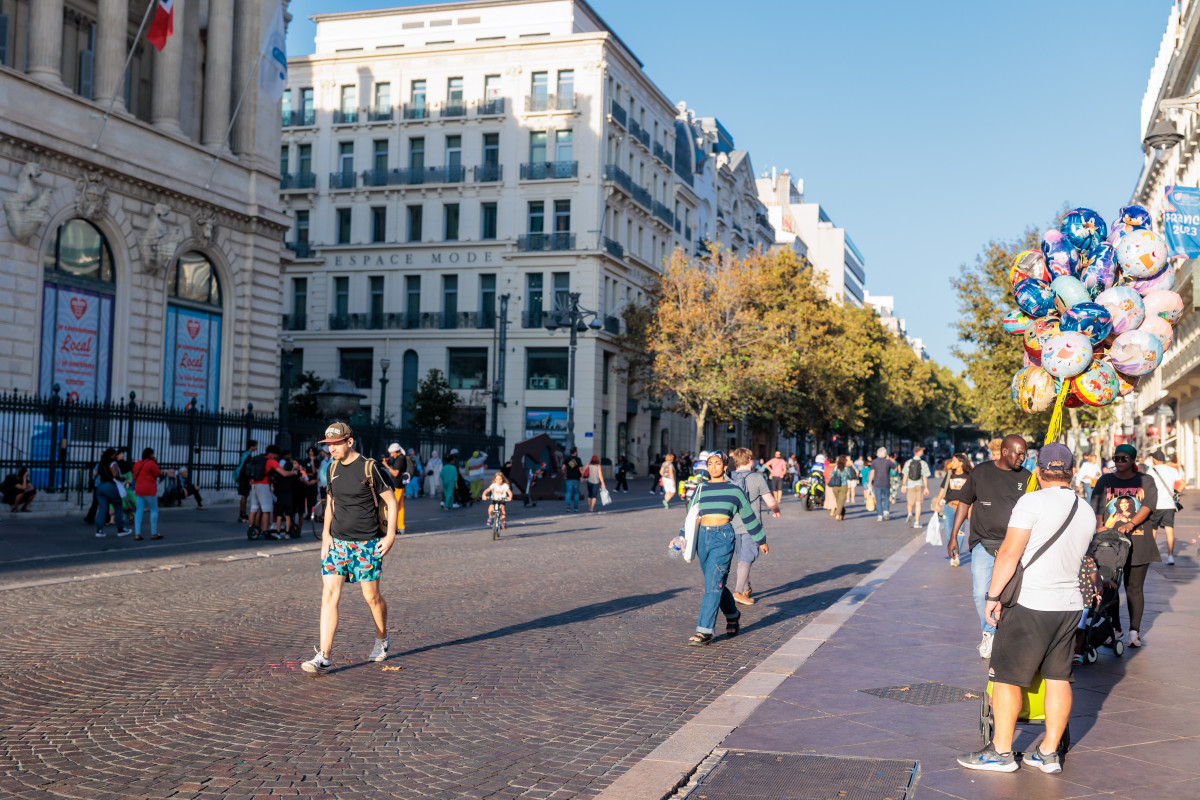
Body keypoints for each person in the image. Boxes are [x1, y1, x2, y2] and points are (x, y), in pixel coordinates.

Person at [957, 444, 1093, 775]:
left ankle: (1001, 752)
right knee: (1058, 678)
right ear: (1071, 471)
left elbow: (1008, 554)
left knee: (1005, 678)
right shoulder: (1085, 508)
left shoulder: (1031, 502)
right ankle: (1048, 753)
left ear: (1039, 470)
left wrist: (992, 596)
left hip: (1030, 603)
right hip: (1070, 605)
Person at [301, 422, 399, 674]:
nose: (331, 449)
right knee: (329, 596)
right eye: (328, 445)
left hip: (367, 544)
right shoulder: (331, 468)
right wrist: (325, 534)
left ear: (349, 442)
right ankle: (324, 656)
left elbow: (390, 498)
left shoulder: (370, 467)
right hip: (338, 542)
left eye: (335, 444)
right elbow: (331, 502)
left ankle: (382, 638)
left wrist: (390, 536)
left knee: (372, 598)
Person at [950, 435, 1030, 658]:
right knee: (980, 593)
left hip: (1014, 547)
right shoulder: (980, 472)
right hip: (983, 543)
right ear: (1005, 451)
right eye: (1019, 453)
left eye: (1025, 453)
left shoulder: (1027, 477)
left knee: (1011, 594)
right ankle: (990, 633)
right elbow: (964, 502)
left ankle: (1004, 634)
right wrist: (953, 535)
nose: (1023, 458)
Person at [682, 451, 766, 646]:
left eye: (717, 463)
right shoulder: (700, 489)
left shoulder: (734, 490)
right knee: (715, 581)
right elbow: (690, 517)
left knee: (713, 583)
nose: (713, 467)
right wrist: (680, 537)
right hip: (703, 537)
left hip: (723, 537)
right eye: (710, 463)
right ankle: (732, 614)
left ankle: (704, 631)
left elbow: (748, 516)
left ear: (725, 466)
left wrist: (761, 540)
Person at [1091, 443, 1157, 647]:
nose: (1118, 462)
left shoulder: (1145, 479)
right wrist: (1100, 526)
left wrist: (1131, 523)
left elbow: (1148, 505)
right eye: (1116, 458)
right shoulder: (1106, 480)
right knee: (1110, 586)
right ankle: (1115, 628)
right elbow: (1097, 505)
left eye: (1123, 458)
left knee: (1134, 588)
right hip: (1110, 544)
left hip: (1139, 541)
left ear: (1133, 460)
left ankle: (1134, 632)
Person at [728, 447, 780, 606]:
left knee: (742, 558)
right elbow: (770, 500)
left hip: (732, 525)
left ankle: (745, 587)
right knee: (747, 557)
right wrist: (776, 510)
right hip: (752, 525)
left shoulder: (729, 477)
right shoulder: (757, 478)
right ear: (750, 460)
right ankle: (738, 591)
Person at [1144, 449, 1181, 565]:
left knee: (1153, 530)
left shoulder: (1151, 471)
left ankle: (1150, 555)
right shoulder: (1171, 470)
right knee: (1169, 530)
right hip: (1169, 504)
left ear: (1154, 459)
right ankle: (1170, 556)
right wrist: (1176, 492)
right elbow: (1183, 483)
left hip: (1156, 504)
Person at [248, 444, 293, 538]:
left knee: (253, 509)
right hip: (264, 485)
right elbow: (283, 473)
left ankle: (251, 529)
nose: (277, 457)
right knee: (266, 509)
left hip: (254, 484)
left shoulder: (260, 459)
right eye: (276, 455)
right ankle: (265, 531)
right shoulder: (271, 461)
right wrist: (293, 472)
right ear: (273, 454)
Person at [938, 453, 972, 566]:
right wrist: (938, 503)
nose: (951, 463)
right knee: (949, 534)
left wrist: (971, 508)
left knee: (960, 532)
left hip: (962, 508)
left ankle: (956, 556)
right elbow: (943, 490)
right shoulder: (949, 474)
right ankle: (952, 552)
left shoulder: (968, 475)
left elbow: (972, 493)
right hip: (948, 507)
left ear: (961, 462)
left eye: (954, 461)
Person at [94, 448, 132, 538]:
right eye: (115, 454)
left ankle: (99, 530)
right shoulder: (113, 463)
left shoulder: (101, 464)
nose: (116, 456)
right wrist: (122, 479)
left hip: (100, 487)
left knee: (102, 508)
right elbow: (115, 475)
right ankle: (120, 529)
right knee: (118, 506)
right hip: (110, 486)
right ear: (111, 455)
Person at [129, 449, 162, 541]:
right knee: (154, 510)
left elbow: (134, 476)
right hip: (150, 490)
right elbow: (158, 474)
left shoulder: (137, 463)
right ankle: (153, 533)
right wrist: (155, 463)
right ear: (151, 455)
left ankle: (137, 534)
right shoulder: (151, 463)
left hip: (139, 490)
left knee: (139, 511)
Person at [902, 446, 932, 529]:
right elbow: (925, 477)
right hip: (920, 485)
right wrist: (926, 487)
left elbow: (905, 475)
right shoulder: (923, 463)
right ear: (918, 452)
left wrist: (903, 485)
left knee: (910, 502)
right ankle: (917, 522)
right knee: (918, 504)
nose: (922, 452)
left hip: (910, 485)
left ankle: (909, 513)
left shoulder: (908, 462)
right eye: (921, 451)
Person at [867, 447, 898, 522]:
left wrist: (870, 482)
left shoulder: (874, 462)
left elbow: (872, 472)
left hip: (877, 483)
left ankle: (880, 515)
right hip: (886, 482)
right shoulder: (888, 462)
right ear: (885, 454)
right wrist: (888, 460)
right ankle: (886, 511)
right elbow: (895, 468)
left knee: (878, 499)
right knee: (887, 498)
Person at [383, 443, 408, 534]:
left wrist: (386, 466)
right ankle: (401, 527)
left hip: (397, 486)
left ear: (396, 452)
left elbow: (395, 473)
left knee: (392, 506)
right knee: (400, 507)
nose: (391, 455)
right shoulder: (401, 458)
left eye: (391, 453)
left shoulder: (400, 459)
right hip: (400, 485)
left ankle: (391, 528)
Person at [236, 439, 257, 523]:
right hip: (245, 478)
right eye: (255, 445)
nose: (256, 447)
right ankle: (243, 514)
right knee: (244, 495)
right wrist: (250, 478)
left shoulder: (244, 454)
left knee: (243, 495)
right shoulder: (248, 456)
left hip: (241, 477)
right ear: (252, 447)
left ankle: (242, 513)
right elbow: (248, 467)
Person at [828, 455, 854, 521]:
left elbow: (831, 475)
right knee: (840, 501)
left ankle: (839, 514)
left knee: (839, 501)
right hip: (843, 486)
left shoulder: (836, 467)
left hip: (835, 486)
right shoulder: (846, 468)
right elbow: (850, 476)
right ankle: (839, 514)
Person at [562, 447, 583, 512]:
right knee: (576, 493)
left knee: (568, 492)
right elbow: (580, 469)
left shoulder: (567, 459)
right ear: (575, 452)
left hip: (569, 478)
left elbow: (562, 468)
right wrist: (583, 476)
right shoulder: (578, 459)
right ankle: (576, 508)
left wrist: (565, 475)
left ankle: (567, 506)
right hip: (576, 478)